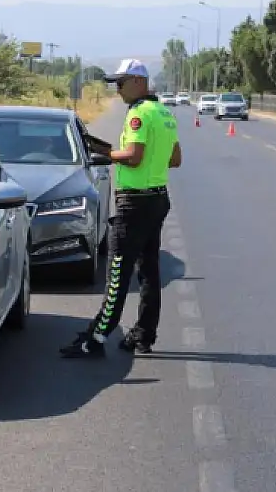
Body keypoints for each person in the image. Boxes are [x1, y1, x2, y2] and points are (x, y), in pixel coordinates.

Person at [61, 58, 182, 359]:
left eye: (122, 82)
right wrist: (130, 156)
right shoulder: (164, 113)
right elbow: (175, 158)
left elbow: (134, 156)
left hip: (135, 203)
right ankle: (143, 335)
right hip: (157, 199)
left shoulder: (139, 114)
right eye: (116, 82)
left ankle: (97, 338)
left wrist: (107, 153)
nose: (117, 88)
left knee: (117, 271)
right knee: (149, 271)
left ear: (139, 82)